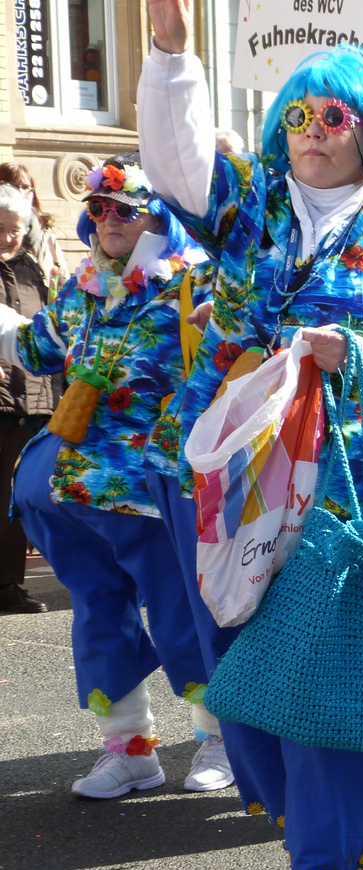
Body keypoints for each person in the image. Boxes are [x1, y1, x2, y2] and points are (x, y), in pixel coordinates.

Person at [140, 2, 363, 870]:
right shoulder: (248, 216)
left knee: (330, 676)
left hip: (362, 489)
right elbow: (175, 161)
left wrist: (361, 351)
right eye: (298, 117)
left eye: (333, 120)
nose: (312, 135)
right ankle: (305, 831)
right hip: (233, 478)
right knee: (237, 675)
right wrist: (170, 53)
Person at [0, 156, 215, 799]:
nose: (110, 219)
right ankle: (130, 750)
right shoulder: (84, 285)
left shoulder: (194, 282)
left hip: (158, 485)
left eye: (127, 206)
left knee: (184, 614)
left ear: (158, 213)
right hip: (78, 487)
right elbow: (39, 349)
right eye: (99, 207)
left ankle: (222, 738)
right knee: (99, 615)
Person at [0, 184, 58, 614]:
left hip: (31, 401)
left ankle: (8, 585)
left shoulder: (32, 269)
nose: (7, 238)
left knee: (14, 497)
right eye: (0, 229)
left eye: (15, 230)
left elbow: (47, 330)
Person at [0, 162, 70, 296]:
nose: (20, 192)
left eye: (26, 187)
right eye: (13, 186)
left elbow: (63, 278)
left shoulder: (46, 234)